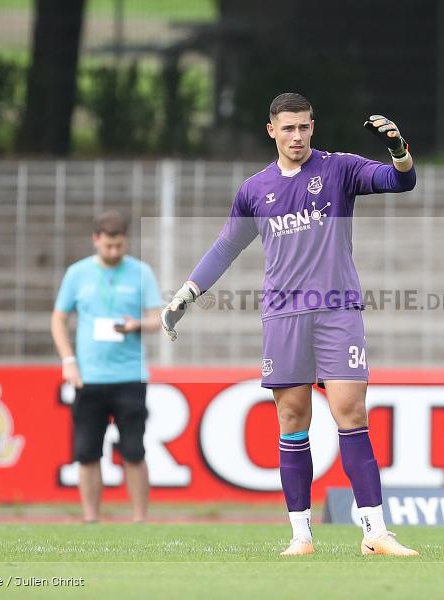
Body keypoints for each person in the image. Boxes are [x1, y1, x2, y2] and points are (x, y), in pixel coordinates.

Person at [161, 93, 419, 556]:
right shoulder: (255, 190)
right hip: (284, 315)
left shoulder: (339, 169)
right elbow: (226, 247)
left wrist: (399, 150)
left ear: (312, 128)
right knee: (292, 419)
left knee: (351, 411)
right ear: (272, 131)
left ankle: (375, 532)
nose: (297, 136)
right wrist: (187, 292)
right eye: (288, 128)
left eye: (304, 127)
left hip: (337, 310)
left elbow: (401, 182)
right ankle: (301, 535)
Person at [51, 209, 162, 523]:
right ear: (95, 240)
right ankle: (91, 519)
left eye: (119, 246)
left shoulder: (142, 272)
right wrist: (68, 361)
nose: (113, 252)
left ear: (125, 241)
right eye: (107, 246)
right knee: (86, 452)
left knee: (133, 451)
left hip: (130, 376)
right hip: (88, 377)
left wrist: (137, 324)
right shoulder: (77, 273)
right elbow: (59, 318)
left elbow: (158, 319)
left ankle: (140, 520)